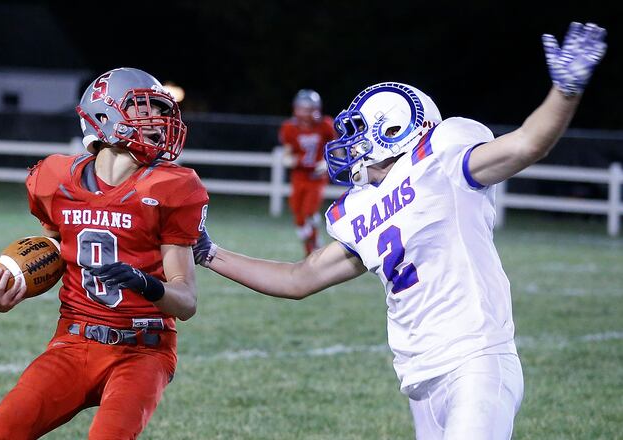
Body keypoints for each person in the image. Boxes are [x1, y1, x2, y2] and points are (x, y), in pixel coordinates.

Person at [194, 23, 606, 440]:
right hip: (422, 380)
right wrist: (209, 252)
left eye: (358, 130)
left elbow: (527, 143)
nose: (349, 144)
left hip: (476, 362)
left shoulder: (442, 161)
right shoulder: (363, 205)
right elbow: (299, 279)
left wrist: (565, 91)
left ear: (393, 129)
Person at [0, 67, 209, 440]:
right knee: (6, 425)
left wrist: (146, 285)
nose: (159, 122)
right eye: (143, 109)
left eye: (160, 110)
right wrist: (13, 287)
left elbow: (186, 302)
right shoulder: (54, 179)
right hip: (74, 340)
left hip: (143, 348)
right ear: (105, 116)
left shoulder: (171, 187)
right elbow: (53, 251)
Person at [278, 89, 337, 255]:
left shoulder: (325, 125)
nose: (304, 113)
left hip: (317, 177)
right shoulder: (290, 127)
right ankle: (312, 246)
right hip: (299, 176)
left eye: (308, 109)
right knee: (299, 216)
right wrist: (289, 160)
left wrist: (327, 162)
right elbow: (288, 154)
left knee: (309, 212)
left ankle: (313, 248)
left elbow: (336, 149)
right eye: (302, 108)